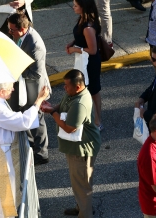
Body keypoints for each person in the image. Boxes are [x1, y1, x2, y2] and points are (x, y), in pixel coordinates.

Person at [0, 83, 49, 218]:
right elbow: (22, 121)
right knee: (5, 191)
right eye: (10, 87)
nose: (13, 89)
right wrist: (38, 100)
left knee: (1, 190)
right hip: (3, 152)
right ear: (1, 91)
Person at [41, 69, 101, 217]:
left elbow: (69, 128)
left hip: (82, 150)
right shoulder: (72, 94)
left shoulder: (80, 103)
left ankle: (85, 214)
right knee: (79, 183)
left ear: (78, 87)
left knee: (82, 186)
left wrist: (52, 113)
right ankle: (81, 207)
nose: (64, 88)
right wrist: (52, 107)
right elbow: (61, 106)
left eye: (67, 86)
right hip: (76, 147)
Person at [7, 13, 51, 165]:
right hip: (23, 84)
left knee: (36, 117)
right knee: (23, 113)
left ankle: (42, 153)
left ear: (23, 29)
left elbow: (36, 73)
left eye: (12, 30)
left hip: (34, 86)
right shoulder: (20, 36)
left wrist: (16, 70)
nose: (10, 32)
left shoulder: (35, 44)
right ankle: (31, 143)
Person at [66, 0, 103, 131]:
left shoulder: (88, 27)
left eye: (76, 5)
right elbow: (80, 36)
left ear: (83, 7)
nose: (73, 7)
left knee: (93, 90)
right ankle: (87, 117)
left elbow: (92, 50)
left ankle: (98, 120)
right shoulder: (82, 19)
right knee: (85, 89)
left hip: (90, 63)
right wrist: (73, 42)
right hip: (83, 60)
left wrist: (75, 49)